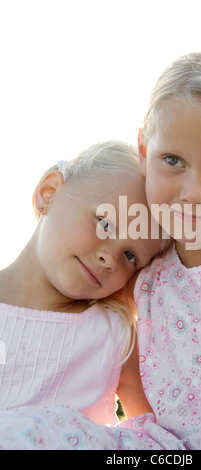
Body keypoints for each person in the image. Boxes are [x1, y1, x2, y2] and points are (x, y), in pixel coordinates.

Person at [0, 51, 201, 450]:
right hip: (161, 452)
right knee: (25, 433)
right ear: (144, 151)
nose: (193, 193)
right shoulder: (151, 263)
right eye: (172, 160)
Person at [0, 140, 162, 425]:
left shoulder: (114, 335)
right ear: (48, 193)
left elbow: (152, 434)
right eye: (105, 223)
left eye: (130, 255)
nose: (110, 258)